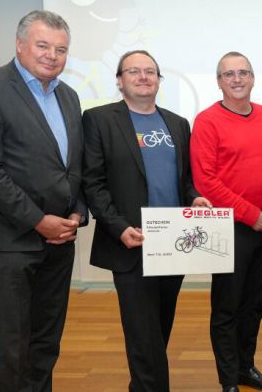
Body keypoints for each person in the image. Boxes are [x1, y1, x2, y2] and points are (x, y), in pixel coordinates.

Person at [0, 10, 86, 392]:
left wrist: (77, 212)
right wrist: (38, 221)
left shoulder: (68, 96)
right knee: (13, 345)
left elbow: (73, 165)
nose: (52, 55)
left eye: (61, 49)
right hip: (9, 241)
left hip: (59, 240)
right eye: (43, 45)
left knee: (46, 341)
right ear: (19, 44)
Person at [82, 50, 210, 392]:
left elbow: (184, 179)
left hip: (173, 243)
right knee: (143, 333)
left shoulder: (178, 123)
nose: (143, 77)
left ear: (158, 79)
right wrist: (119, 228)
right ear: (119, 80)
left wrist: (194, 197)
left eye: (150, 71)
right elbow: (93, 183)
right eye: (134, 71)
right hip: (131, 241)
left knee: (158, 329)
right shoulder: (99, 119)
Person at [190, 51, 262, 392]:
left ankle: (245, 367)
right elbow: (206, 181)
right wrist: (251, 214)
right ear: (219, 82)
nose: (237, 79)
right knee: (227, 308)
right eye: (229, 74)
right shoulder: (207, 121)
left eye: (243, 72)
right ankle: (228, 380)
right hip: (229, 227)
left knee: (255, 304)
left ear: (253, 78)